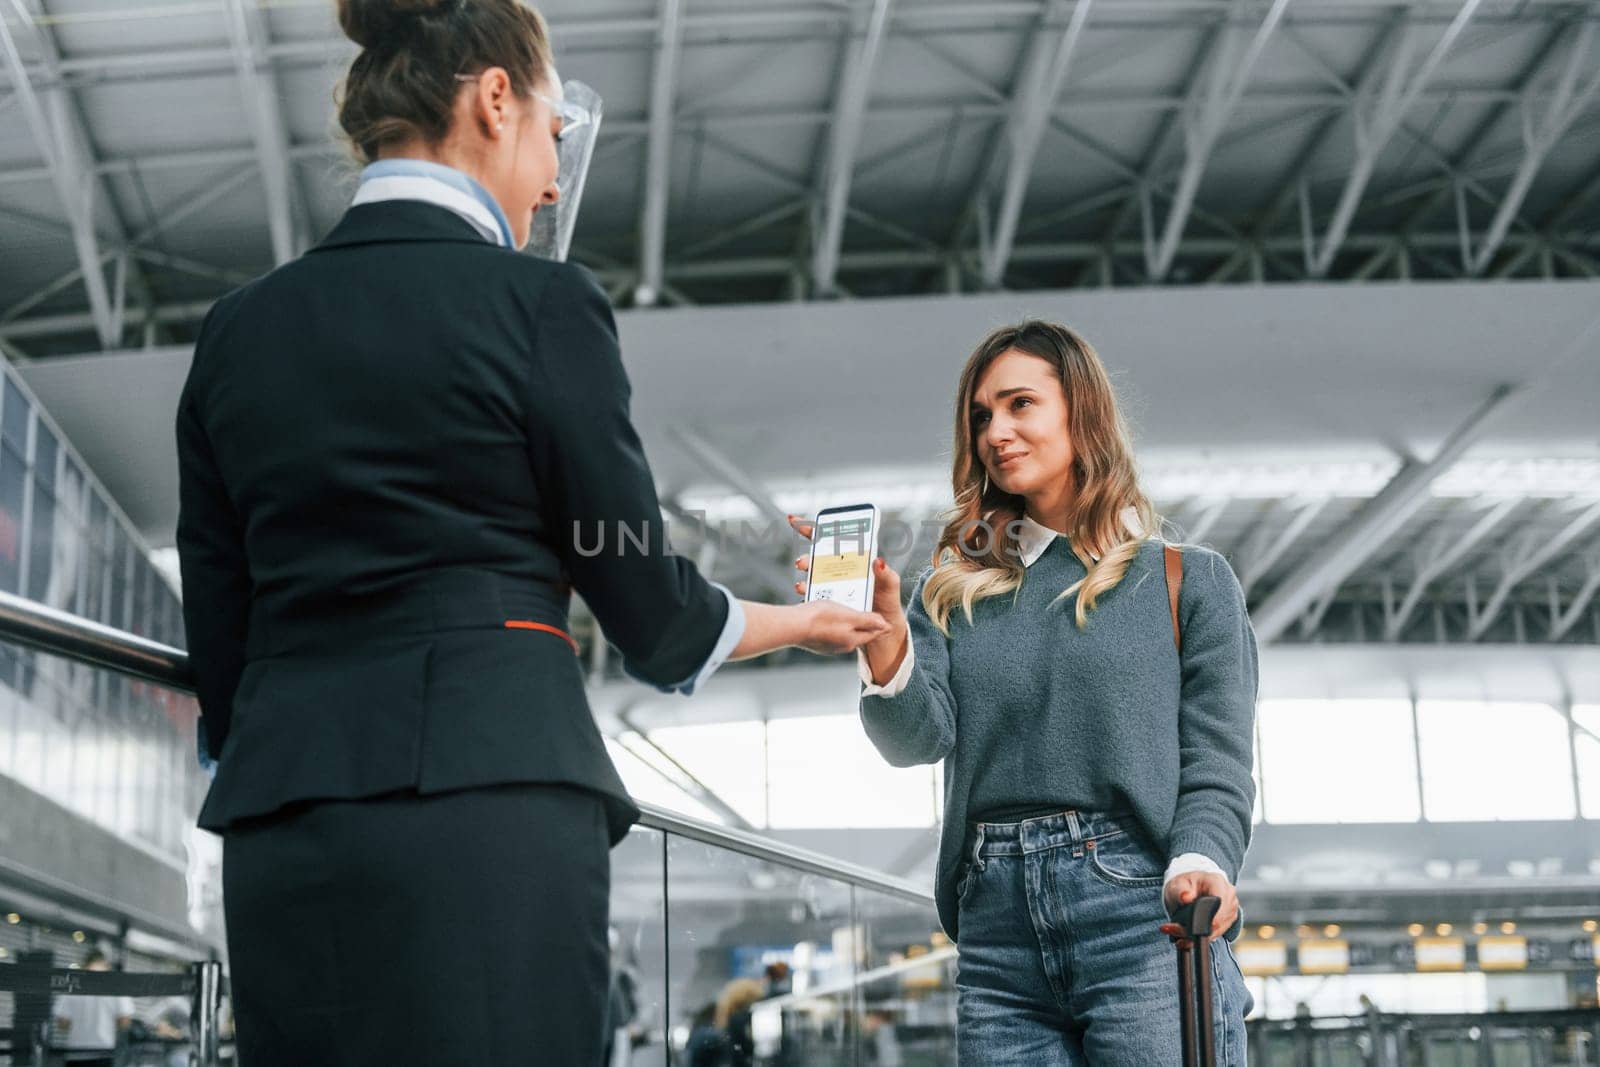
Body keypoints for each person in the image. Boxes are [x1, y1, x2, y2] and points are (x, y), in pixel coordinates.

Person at [173, 1, 890, 1063]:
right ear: (493, 99)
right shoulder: (538, 304)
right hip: (490, 797)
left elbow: (221, 629)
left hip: (285, 819)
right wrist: (810, 620)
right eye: (554, 136)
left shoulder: (238, 330)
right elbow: (640, 597)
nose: (553, 179)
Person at [791, 321, 1258, 1064]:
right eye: (981, 416)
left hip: (1140, 913)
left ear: (1082, 411)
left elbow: (1218, 761)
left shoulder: (1186, 580)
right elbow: (914, 740)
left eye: (1019, 405)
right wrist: (883, 641)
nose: (994, 432)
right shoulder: (952, 590)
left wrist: (1200, 860)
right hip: (995, 931)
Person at [51, 951, 133, 1067]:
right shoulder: (115, 985)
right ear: (105, 963)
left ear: (84, 964)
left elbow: (62, 1023)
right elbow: (125, 1022)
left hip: (75, 1054)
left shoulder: (73, 985)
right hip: (103, 1053)